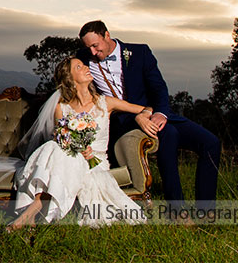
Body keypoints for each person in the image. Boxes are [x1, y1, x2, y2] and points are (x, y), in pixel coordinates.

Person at [77, 20, 221, 212]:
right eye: (89, 48)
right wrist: (136, 116)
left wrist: (159, 113)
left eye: (95, 46)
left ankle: (206, 211)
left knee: (211, 143)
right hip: (123, 121)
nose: (93, 52)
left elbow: (158, 87)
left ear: (107, 35)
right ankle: (177, 210)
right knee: (169, 134)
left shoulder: (140, 52)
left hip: (154, 113)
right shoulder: (82, 60)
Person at [8, 56, 156, 229]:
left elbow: (148, 108)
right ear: (70, 79)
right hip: (69, 158)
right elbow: (61, 140)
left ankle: (29, 214)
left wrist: (141, 117)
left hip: (95, 162)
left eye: (84, 64)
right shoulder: (61, 107)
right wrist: (76, 147)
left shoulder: (106, 103)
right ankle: (30, 215)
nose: (86, 67)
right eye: (79, 67)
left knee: (61, 155)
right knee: (56, 149)